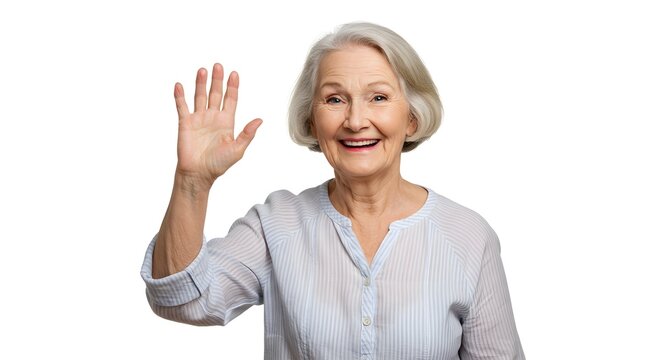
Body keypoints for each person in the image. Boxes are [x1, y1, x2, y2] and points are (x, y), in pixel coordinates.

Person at [141, 22, 525, 359]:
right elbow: (181, 301)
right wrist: (192, 182)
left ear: (411, 117)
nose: (356, 121)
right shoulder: (276, 224)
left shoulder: (469, 237)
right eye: (335, 99)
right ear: (312, 117)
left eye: (378, 97)